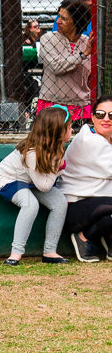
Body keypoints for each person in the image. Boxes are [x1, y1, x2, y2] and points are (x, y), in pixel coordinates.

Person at [0, 106, 70, 266]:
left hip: (31, 181)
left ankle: (50, 251)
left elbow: (43, 181)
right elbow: (44, 186)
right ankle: (16, 253)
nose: (71, 130)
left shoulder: (57, 148)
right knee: (30, 204)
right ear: (57, 131)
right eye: (68, 127)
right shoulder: (32, 153)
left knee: (60, 202)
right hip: (9, 179)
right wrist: (58, 168)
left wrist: (56, 166)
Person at [62, 96, 112, 261]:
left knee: (107, 220)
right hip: (75, 209)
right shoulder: (90, 142)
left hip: (97, 206)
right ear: (92, 117)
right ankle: (83, 237)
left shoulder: (102, 138)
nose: (106, 119)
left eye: (111, 115)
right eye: (100, 114)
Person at [34, 0, 92, 121]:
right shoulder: (48, 39)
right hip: (52, 104)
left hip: (81, 105)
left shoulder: (87, 42)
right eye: (58, 16)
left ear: (76, 22)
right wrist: (83, 55)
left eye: (64, 19)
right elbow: (57, 67)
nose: (58, 21)